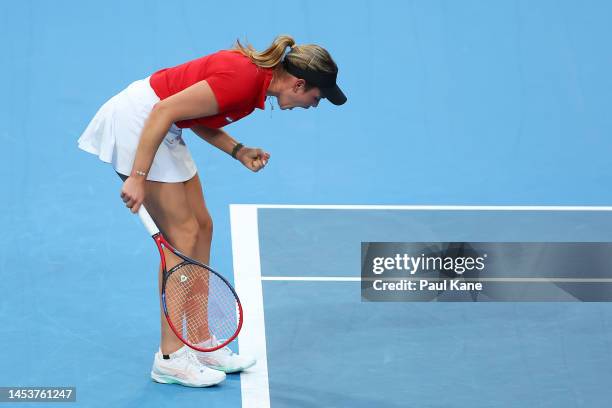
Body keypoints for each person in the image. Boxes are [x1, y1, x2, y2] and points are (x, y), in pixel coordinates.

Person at [77, 34, 346, 388]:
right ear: (298, 83)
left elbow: (194, 112)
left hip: (163, 123)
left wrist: (237, 150)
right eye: (317, 96)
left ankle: (203, 342)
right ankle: (170, 357)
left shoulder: (255, 87)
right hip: (141, 122)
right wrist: (138, 177)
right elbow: (164, 109)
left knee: (202, 226)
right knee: (181, 237)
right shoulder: (243, 81)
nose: (315, 104)